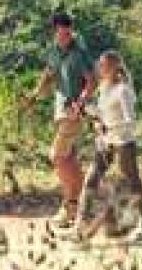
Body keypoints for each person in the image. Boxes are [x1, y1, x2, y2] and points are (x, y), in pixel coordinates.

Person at [21, 12, 96, 225]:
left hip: (74, 112)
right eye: (60, 33)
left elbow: (91, 82)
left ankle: (70, 206)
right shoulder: (53, 51)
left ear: (71, 30)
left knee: (56, 156)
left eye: (67, 32)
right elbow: (49, 72)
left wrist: (80, 103)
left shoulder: (80, 53)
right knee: (68, 159)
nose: (64, 36)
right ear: (54, 31)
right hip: (59, 110)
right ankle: (82, 206)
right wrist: (34, 95)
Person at [77, 50, 142, 241]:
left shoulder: (123, 90)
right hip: (105, 142)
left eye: (104, 65)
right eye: (99, 65)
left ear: (114, 67)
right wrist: (89, 114)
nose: (100, 69)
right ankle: (81, 226)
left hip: (123, 141)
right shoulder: (103, 87)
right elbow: (102, 114)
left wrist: (109, 126)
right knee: (90, 179)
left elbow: (130, 120)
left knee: (133, 180)